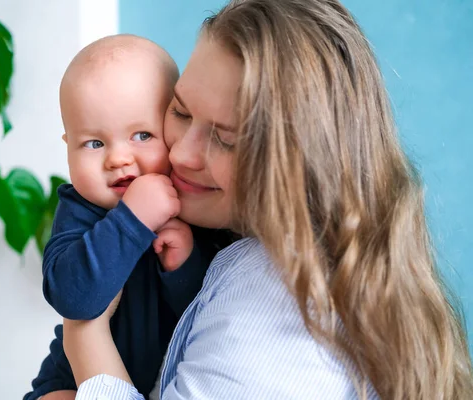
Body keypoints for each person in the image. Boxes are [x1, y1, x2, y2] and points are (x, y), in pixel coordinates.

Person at [63, 0, 473, 399]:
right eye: (181, 112)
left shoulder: (275, 304)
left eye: (225, 139)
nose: (180, 154)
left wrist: (84, 334)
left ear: (302, 159)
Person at [24, 34, 234, 400]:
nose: (118, 158)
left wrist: (183, 265)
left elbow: (205, 312)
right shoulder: (80, 209)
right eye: (94, 143)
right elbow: (72, 300)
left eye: (142, 135)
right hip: (73, 381)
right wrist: (132, 219)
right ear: (68, 146)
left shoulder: (194, 203)